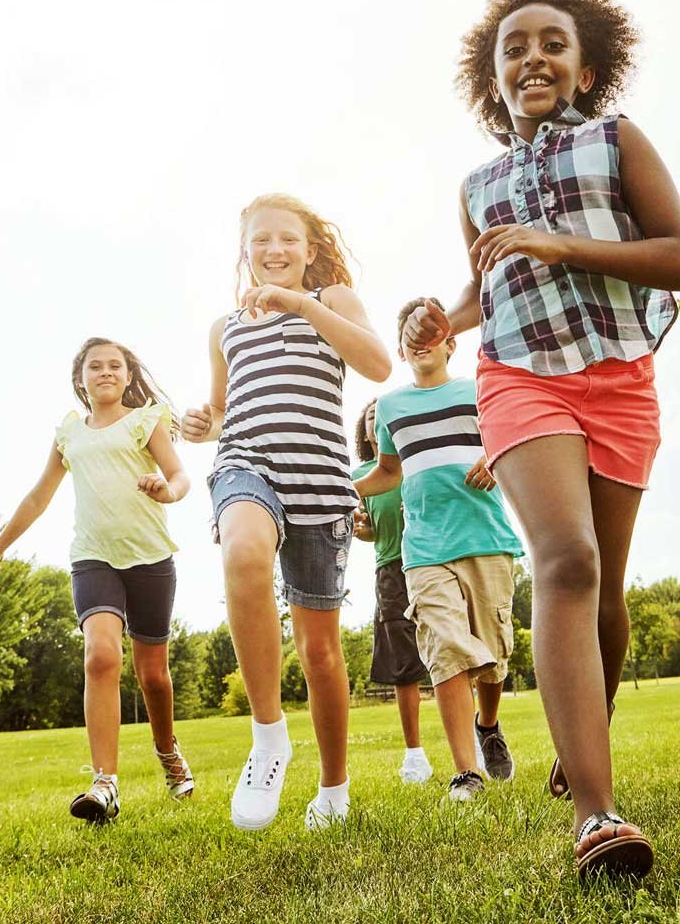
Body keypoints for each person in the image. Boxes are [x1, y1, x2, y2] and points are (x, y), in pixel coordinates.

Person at [404, 0, 680, 875]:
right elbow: (488, 284)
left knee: (605, 587)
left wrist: (559, 240)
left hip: (617, 375)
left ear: (584, 66)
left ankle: (582, 753)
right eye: (514, 48)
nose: (533, 58)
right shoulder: (477, 182)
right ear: (492, 77)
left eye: (552, 45)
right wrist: (442, 320)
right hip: (520, 376)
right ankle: (600, 818)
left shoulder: (617, 140)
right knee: (564, 560)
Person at [181, 193, 391, 831]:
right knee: (243, 551)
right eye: (261, 241)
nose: (274, 251)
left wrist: (302, 305)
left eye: (288, 240)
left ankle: (333, 787)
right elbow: (221, 410)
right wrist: (202, 421)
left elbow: (378, 364)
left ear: (310, 248)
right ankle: (268, 734)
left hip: (321, 483)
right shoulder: (224, 328)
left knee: (320, 650)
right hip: (249, 464)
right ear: (244, 251)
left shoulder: (332, 302)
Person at [0, 338, 194, 825]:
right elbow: (39, 496)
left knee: (153, 677)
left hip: (150, 558)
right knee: (100, 656)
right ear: (81, 378)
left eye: (114, 365)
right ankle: (105, 784)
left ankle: (167, 752)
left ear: (127, 375)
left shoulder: (145, 420)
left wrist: (168, 491)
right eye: (94, 366)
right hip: (93, 558)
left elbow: (180, 475)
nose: (105, 372)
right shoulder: (68, 434)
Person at [355, 298, 524, 804]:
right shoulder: (390, 406)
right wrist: (341, 488)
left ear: (452, 343)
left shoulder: (478, 390)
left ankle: (487, 725)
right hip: (425, 548)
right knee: (446, 651)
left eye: (432, 334)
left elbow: (514, 441)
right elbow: (388, 471)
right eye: (410, 335)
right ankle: (465, 773)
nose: (421, 343)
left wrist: (494, 458)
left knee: (493, 658)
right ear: (403, 348)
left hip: (486, 537)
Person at [351, 398, 432, 785]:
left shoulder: (420, 461)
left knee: (456, 652)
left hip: (434, 560)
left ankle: (474, 738)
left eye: (382, 416)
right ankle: (414, 755)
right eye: (370, 418)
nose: (376, 422)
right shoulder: (361, 475)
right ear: (367, 432)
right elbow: (366, 528)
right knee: (404, 667)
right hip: (390, 569)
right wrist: (363, 531)